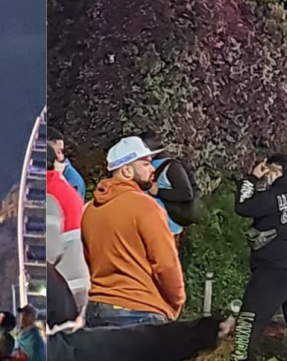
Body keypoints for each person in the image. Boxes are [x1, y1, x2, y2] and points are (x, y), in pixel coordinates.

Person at [80, 135, 185, 326]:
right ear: (127, 170)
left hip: (96, 310)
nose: (152, 169)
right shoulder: (146, 206)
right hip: (141, 309)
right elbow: (166, 263)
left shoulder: (88, 210)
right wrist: (176, 302)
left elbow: (86, 261)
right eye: (145, 163)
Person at [45, 264, 232, 361]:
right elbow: (166, 265)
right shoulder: (149, 212)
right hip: (143, 305)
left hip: (99, 304)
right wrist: (194, 327)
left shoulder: (93, 211)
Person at [231, 153, 287, 361]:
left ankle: (241, 356)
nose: (265, 176)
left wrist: (252, 178)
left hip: (273, 266)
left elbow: (243, 206)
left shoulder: (275, 196)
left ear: (276, 172)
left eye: (268, 171)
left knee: (249, 317)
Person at [140, 131, 203, 237]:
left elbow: (186, 194)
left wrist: (158, 192)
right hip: (155, 223)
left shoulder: (172, 167)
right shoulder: (151, 164)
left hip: (168, 227)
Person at [48, 160, 90, 314]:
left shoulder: (50, 192)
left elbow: (51, 251)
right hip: (79, 280)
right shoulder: (65, 187)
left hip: (66, 284)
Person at [49, 127, 86, 199]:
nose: (61, 157)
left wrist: (57, 178)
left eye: (61, 151)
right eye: (58, 152)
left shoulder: (71, 178)